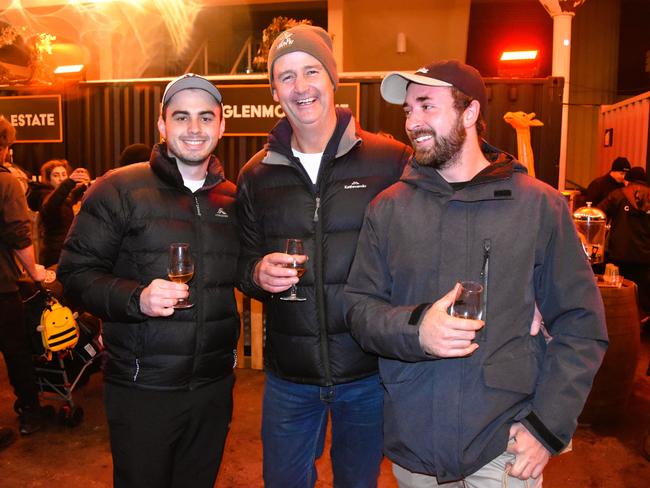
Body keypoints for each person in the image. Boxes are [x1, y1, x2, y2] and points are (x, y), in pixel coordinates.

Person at [344, 60, 609, 487]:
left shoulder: (537, 207)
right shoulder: (388, 209)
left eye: (427, 106)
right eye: (408, 111)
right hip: (416, 450)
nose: (413, 122)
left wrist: (547, 428)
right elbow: (358, 310)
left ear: (469, 113)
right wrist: (417, 329)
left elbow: (582, 325)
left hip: (504, 447)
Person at [236, 25, 411, 487]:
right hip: (290, 378)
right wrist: (256, 271)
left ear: (333, 79)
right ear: (275, 91)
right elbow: (242, 260)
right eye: (286, 77)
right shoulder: (256, 174)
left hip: (367, 372)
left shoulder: (389, 160)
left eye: (311, 71)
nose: (300, 87)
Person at [57, 74, 240, 488]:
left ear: (221, 125)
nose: (194, 129)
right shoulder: (118, 188)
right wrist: (136, 297)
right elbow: (73, 275)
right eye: (181, 117)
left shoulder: (231, 197)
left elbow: (240, 273)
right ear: (162, 125)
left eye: (205, 117)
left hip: (213, 389)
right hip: (144, 390)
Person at [0, 116, 47, 435]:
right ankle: (31, 409)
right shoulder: (6, 182)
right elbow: (19, 234)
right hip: (1, 286)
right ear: (5, 146)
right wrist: (36, 272)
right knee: (17, 349)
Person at [598, 166, 650, 322]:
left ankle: (620, 321)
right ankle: (641, 320)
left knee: (620, 292)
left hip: (619, 253)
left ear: (628, 180)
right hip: (645, 256)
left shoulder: (618, 195)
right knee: (642, 292)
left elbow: (599, 213)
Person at [38, 159, 91, 267]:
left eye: (64, 174)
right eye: (56, 175)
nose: (61, 178)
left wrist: (86, 184)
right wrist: (70, 182)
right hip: (53, 255)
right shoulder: (44, 195)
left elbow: (71, 197)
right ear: (48, 179)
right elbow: (54, 201)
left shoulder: (64, 197)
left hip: (67, 252)